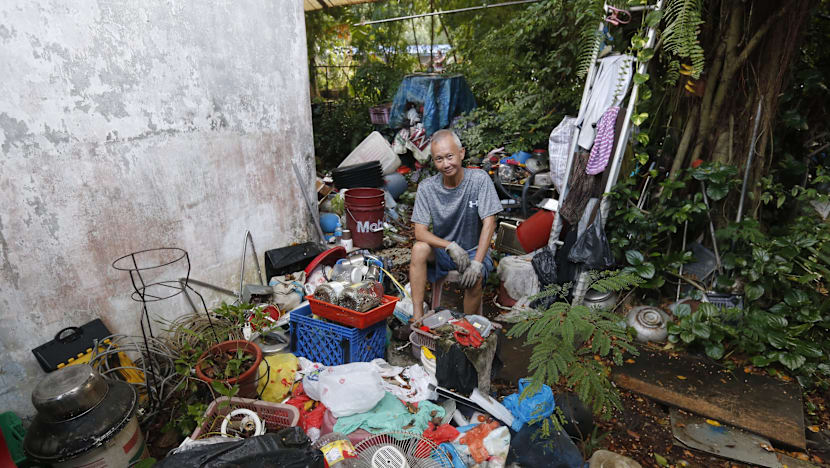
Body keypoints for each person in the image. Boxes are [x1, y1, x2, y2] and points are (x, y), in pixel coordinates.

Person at [409, 129, 502, 322]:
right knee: (419, 249)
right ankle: (417, 315)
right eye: (439, 159)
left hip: (473, 251)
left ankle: (465, 326)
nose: (446, 164)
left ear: (462, 153)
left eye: (450, 156)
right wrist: (449, 246)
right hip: (445, 252)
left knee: (474, 278)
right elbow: (419, 232)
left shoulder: (479, 180)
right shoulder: (427, 187)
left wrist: (477, 262)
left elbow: (489, 222)